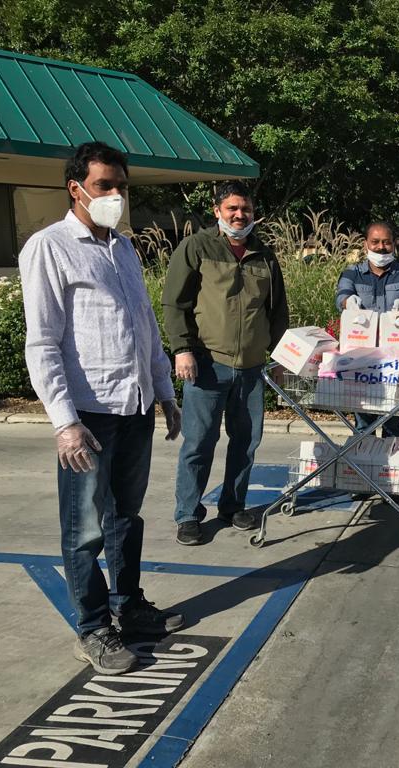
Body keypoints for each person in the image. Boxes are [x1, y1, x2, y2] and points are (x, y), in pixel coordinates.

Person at [20, 142, 184, 675]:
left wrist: (164, 392)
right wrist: (64, 422)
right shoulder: (50, 248)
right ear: (76, 189)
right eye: (105, 186)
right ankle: (92, 628)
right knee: (83, 528)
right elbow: (42, 343)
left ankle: (127, 605)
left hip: (133, 405)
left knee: (125, 517)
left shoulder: (123, 248)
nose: (116, 195)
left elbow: (146, 329)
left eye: (121, 186)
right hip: (87, 414)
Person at [163, 181, 289, 546]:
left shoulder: (263, 254)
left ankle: (233, 506)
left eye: (245, 209)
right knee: (200, 441)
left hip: (250, 368)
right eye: (232, 208)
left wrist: (279, 355)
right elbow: (176, 303)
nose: (239, 215)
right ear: (218, 210)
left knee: (246, 441)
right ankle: (188, 514)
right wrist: (182, 349)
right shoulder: (197, 247)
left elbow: (277, 310)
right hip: (207, 364)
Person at [335, 221, 399, 438]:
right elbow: (341, 296)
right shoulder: (352, 273)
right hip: (362, 361)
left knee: (393, 423)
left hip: (394, 362)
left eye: (387, 242)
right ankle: (365, 467)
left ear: (394, 245)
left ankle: (392, 469)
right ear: (366, 244)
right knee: (363, 424)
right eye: (375, 242)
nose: (381, 247)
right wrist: (348, 302)